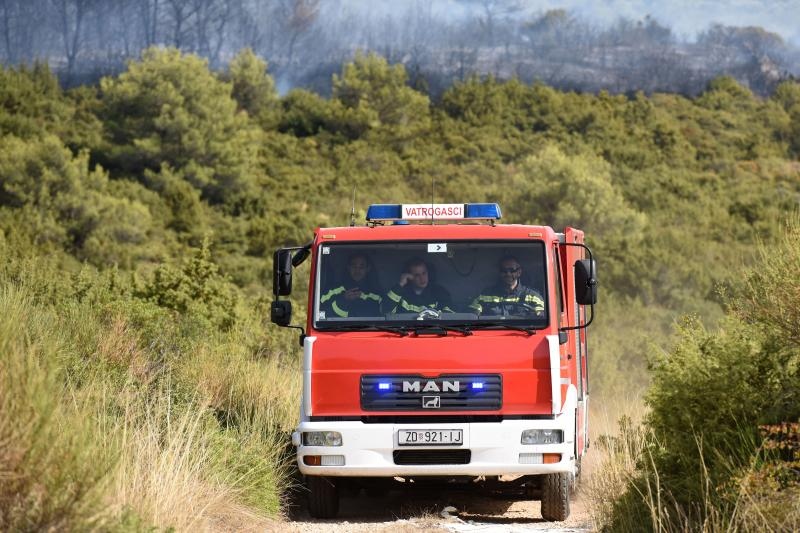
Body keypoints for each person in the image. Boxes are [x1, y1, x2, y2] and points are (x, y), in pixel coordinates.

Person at [469, 256, 545, 317]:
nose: (508, 274)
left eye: (512, 270)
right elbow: (472, 317)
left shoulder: (534, 297)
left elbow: (541, 321)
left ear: (519, 272)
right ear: (499, 273)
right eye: (504, 270)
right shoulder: (484, 296)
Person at [320, 253, 383, 318]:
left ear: (368, 269)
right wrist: (344, 300)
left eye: (362, 267)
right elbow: (321, 316)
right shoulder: (332, 291)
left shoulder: (377, 296)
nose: (357, 270)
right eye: (354, 266)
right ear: (348, 267)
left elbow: (381, 320)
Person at [385, 257, 454, 315]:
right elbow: (386, 312)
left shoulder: (439, 291)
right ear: (409, 277)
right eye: (417, 275)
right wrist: (400, 284)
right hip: (406, 330)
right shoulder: (400, 293)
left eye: (424, 273)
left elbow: (450, 313)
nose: (422, 278)